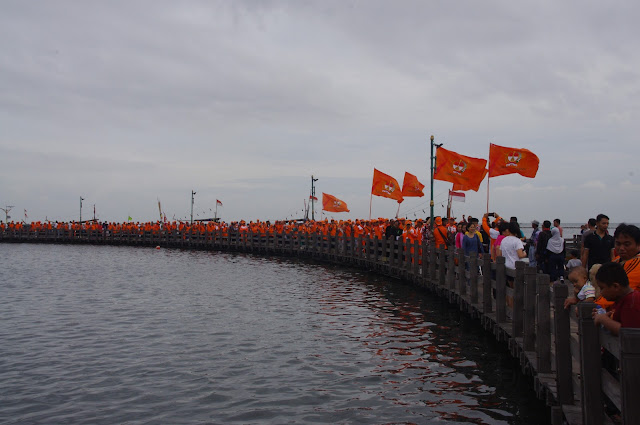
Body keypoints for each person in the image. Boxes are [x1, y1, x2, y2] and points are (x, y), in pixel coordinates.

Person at [593, 262, 640, 336]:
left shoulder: (632, 303)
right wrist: (603, 315)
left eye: (602, 288)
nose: (600, 292)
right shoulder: (619, 300)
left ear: (615, 286)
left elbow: (629, 333)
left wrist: (603, 319)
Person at [612, 223, 640, 290]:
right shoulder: (617, 260)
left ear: (638, 245)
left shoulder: (637, 264)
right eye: (618, 244)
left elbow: (618, 290)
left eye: (626, 244)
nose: (621, 248)